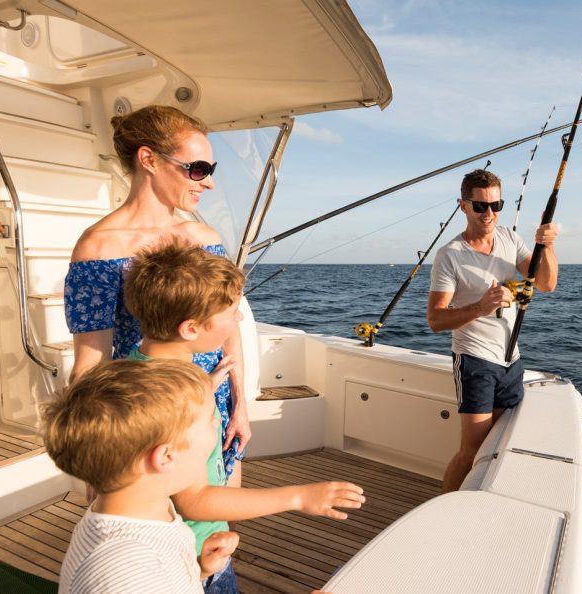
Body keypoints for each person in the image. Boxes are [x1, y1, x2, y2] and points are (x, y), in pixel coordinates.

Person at [123, 239, 365, 593]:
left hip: (176, 552)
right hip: (192, 557)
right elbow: (193, 499)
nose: (238, 318)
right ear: (190, 329)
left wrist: (204, 387)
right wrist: (298, 497)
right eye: (231, 311)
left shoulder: (136, 371)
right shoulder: (181, 401)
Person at [64, 105, 249, 484]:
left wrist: (240, 405)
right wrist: (98, 461)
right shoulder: (98, 250)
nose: (208, 183)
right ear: (148, 159)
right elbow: (90, 365)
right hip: (151, 416)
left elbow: (229, 330)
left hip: (215, 409)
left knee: (218, 531)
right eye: (197, 169)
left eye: (210, 171)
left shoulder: (205, 238)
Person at [43, 358, 240, 594]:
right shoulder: (126, 570)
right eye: (211, 420)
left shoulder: (150, 511)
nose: (218, 423)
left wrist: (200, 571)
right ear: (166, 457)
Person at [427, 169, 559, 492]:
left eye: (496, 205)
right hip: (475, 362)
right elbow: (435, 319)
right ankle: (443, 509)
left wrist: (548, 246)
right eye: (480, 206)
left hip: (510, 361)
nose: (490, 214)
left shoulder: (510, 240)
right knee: (472, 451)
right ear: (463, 205)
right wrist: (479, 308)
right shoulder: (449, 256)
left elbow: (547, 283)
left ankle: (478, 506)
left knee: (495, 448)